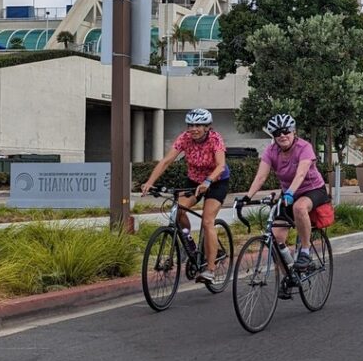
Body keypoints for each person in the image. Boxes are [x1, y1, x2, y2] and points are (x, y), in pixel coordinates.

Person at [140, 108, 230, 285]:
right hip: (193, 180)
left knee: (207, 221)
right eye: (190, 125)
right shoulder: (184, 138)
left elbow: (220, 165)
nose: (193, 129)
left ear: (207, 127)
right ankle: (189, 246)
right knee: (178, 211)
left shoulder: (215, 139)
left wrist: (208, 182)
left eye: (198, 125)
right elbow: (166, 161)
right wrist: (149, 182)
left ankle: (210, 270)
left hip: (216, 181)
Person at [242, 113, 329, 272]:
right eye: (277, 133)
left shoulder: (304, 147)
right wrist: (247, 197)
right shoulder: (271, 151)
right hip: (289, 194)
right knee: (275, 239)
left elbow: (301, 174)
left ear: (294, 131)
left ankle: (305, 251)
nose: (282, 135)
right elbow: (261, 176)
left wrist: (289, 193)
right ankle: (288, 276)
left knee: (299, 207)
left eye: (286, 131)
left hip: (313, 189)